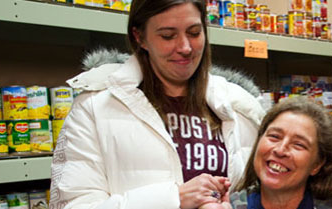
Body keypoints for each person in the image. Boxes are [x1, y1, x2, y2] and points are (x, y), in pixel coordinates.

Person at [49, 0, 264, 208]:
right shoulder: (94, 108)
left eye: (194, 32)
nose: (185, 47)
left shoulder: (239, 106)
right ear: (139, 37)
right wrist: (172, 199)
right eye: (168, 35)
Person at [201, 97, 332, 209]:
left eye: (298, 144)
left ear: (317, 164)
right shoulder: (231, 205)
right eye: (274, 136)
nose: (280, 150)